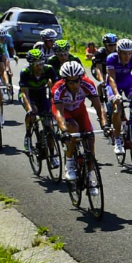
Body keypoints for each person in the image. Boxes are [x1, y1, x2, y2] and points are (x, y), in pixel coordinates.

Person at [51, 62, 107, 191]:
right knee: (73, 128)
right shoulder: (58, 88)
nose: (75, 85)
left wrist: (105, 125)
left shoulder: (88, 84)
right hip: (65, 112)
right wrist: (64, 130)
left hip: (79, 110)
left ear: (80, 78)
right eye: (70, 82)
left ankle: (89, 176)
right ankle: (69, 162)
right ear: (64, 80)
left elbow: (99, 108)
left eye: (77, 81)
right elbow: (59, 113)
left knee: (90, 141)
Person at [19, 49, 60, 166]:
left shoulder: (48, 69)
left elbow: (57, 88)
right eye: (37, 64)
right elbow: (25, 94)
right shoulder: (25, 72)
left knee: (49, 125)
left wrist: (56, 105)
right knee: (33, 112)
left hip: (41, 95)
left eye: (42, 62)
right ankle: (28, 135)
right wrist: (29, 110)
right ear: (31, 65)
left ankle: (52, 156)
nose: (40, 66)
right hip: (29, 95)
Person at [105, 38, 132, 155]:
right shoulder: (111, 58)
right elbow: (111, 78)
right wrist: (116, 94)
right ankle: (117, 139)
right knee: (117, 108)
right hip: (114, 83)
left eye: (129, 53)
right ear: (118, 52)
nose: (127, 56)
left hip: (128, 81)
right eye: (124, 53)